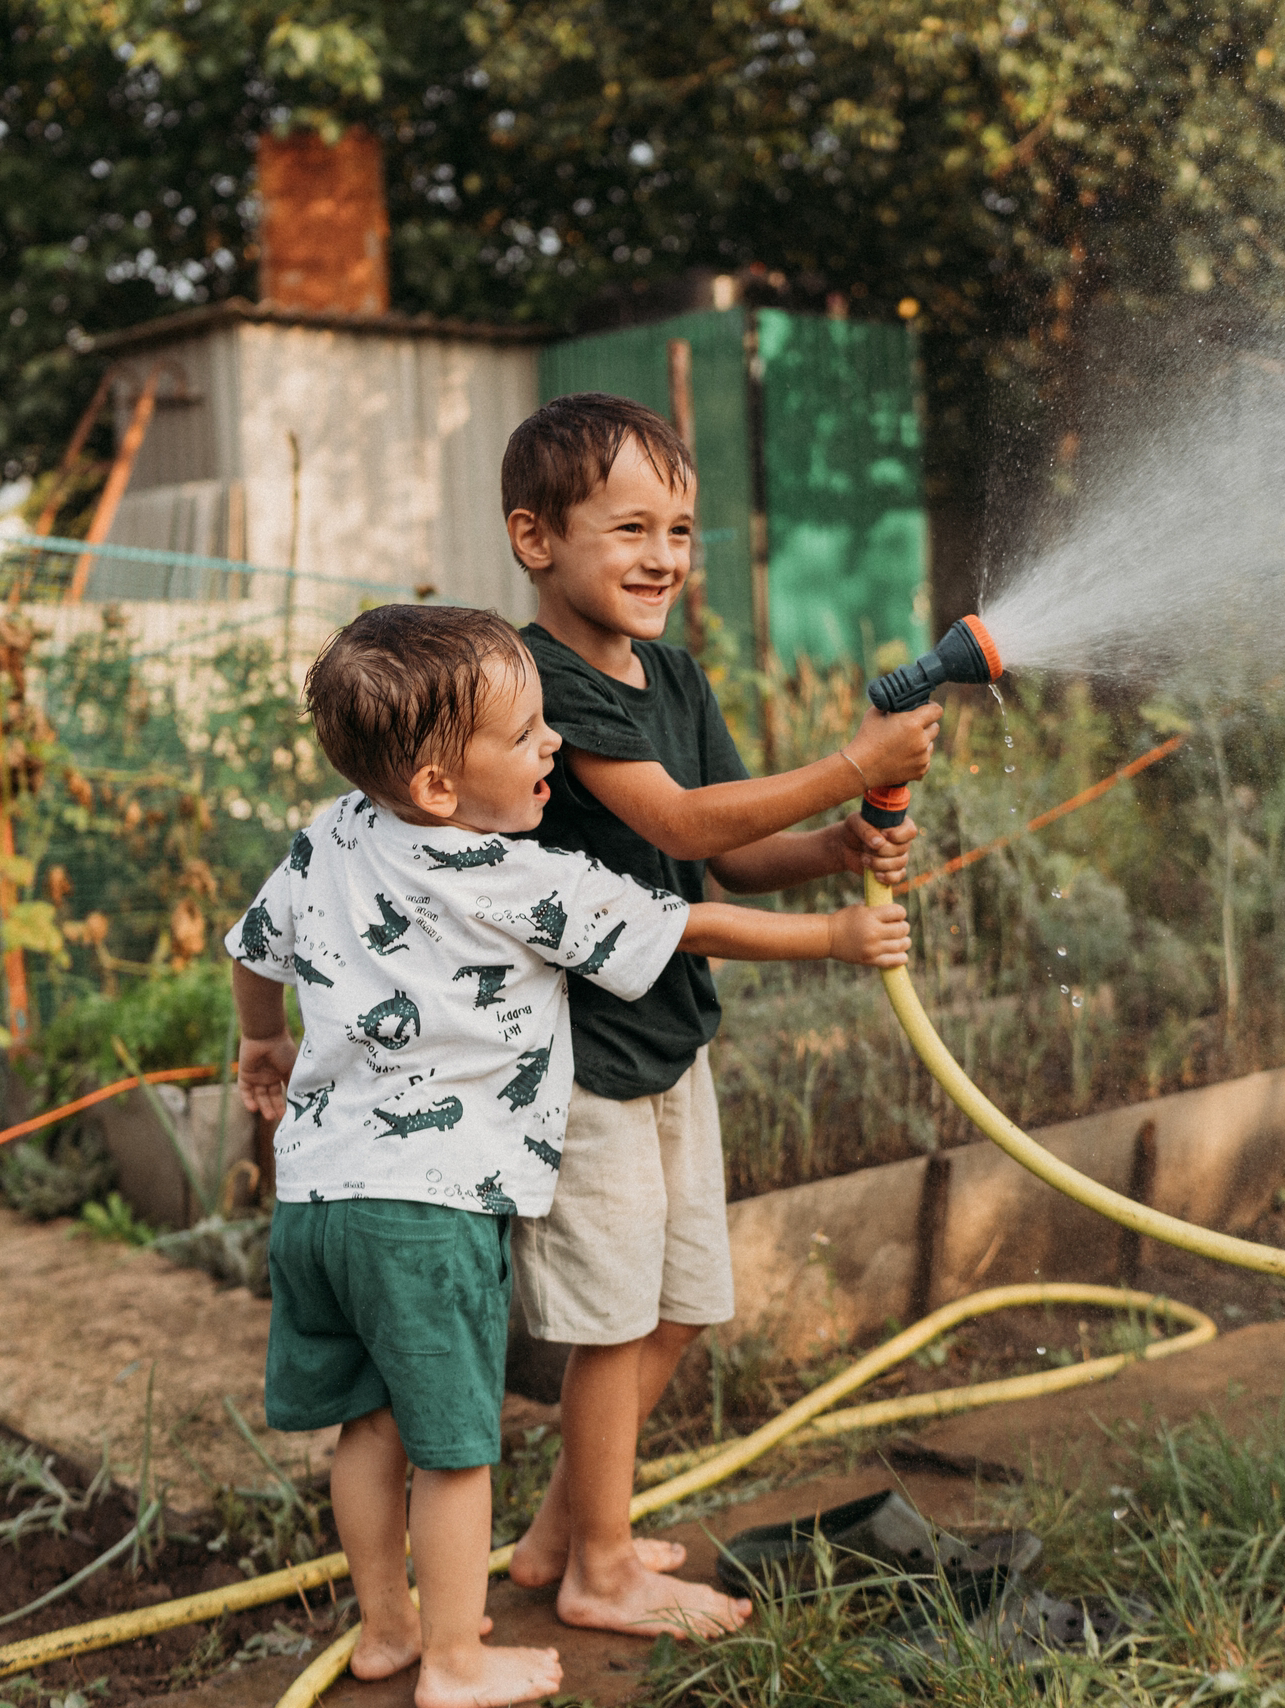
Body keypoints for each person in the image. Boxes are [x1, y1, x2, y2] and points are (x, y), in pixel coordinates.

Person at [228, 604, 911, 1704]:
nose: (554, 746)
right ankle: (455, 1660)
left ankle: (390, 1628)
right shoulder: (513, 876)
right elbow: (687, 924)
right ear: (445, 786)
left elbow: (252, 949)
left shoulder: (330, 834)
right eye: (529, 735)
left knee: (370, 1425)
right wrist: (832, 936)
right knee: (455, 1446)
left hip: (316, 1200)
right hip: (430, 1211)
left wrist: (262, 1040)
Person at [496, 393, 942, 1638]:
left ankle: (557, 1537)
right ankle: (597, 1570)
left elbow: (731, 857)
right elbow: (678, 826)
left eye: (680, 531)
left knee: (684, 1300)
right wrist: (852, 762)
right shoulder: (542, 685)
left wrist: (834, 841)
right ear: (536, 539)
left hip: (667, 1038)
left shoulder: (675, 675)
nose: (662, 558)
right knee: (613, 1319)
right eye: (629, 527)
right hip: (579, 1059)